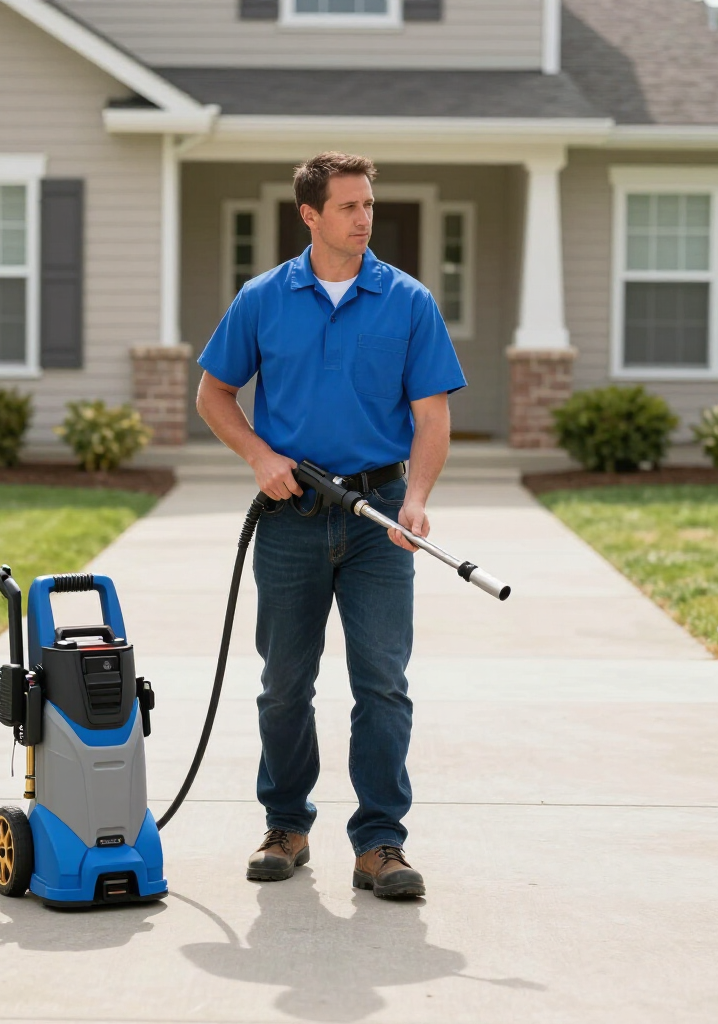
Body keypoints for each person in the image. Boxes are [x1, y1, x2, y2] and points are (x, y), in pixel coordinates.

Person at [196, 152, 465, 899]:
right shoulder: (262, 299)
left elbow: (433, 416)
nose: (364, 218)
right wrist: (257, 454)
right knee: (285, 684)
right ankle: (286, 824)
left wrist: (415, 498)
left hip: (380, 521)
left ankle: (381, 843)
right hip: (292, 518)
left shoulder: (407, 302)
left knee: (382, 684)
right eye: (348, 206)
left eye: (369, 205)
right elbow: (214, 395)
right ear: (309, 215)